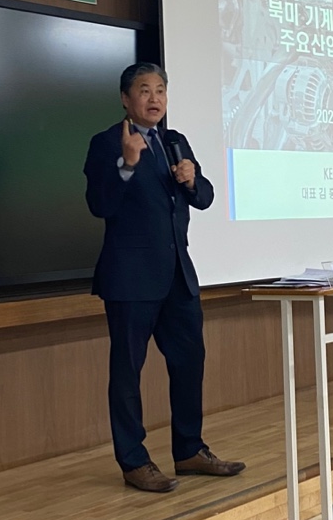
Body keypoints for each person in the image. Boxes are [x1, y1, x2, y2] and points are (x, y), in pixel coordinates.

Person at [83, 62, 246, 493]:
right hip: (130, 278)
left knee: (190, 362)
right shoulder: (106, 143)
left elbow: (204, 198)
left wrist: (192, 181)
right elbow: (99, 204)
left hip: (177, 276)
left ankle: (189, 449)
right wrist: (127, 164)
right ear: (125, 99)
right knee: (127, 372)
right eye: (144, 90)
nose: (154, 98)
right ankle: (134, 461)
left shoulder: (175, 141)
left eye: (160, 90)